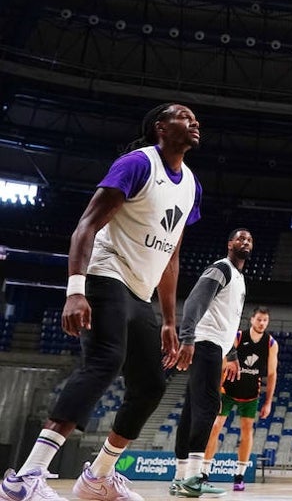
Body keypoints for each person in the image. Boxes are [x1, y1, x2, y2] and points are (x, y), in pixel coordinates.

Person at [1, 104, 202, 501]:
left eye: (195, 118)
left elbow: (171, 257)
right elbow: (86, 225)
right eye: (183, 116)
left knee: (150, 385)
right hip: (105, 273)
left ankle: (98, 478)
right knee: (105, 359)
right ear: (160, 127)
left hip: (140, 292)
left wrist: (167, 319)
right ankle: (25, 477)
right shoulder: (137, 163)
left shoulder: (192, 184)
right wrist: (75, 290)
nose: (194, 122)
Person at [170, 229, 252, 498]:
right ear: (229, 244)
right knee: (209, 405)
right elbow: (196, 299)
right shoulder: (221, 268)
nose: (245, 242)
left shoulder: (239, 278)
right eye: (240, 238)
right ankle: (195, 476)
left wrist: (232, 355)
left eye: (249, 240)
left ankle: (180, 477)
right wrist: (187, 337)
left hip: (215, 346)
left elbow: (229, 320)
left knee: (192, 409)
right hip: (204, 342)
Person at [203, 307, 279, 492]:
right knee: (215, 427)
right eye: (259, 319)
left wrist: (268, 402)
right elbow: (223, 362)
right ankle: (203, 472)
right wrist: (216, 389)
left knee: (247, 431)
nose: (262, 323)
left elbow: (271, 373)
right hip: (227, 390)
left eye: (265, 320)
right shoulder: (237, 337)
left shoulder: (270, 343)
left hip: (250, 394)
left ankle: (239, 476)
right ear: (252, 320)